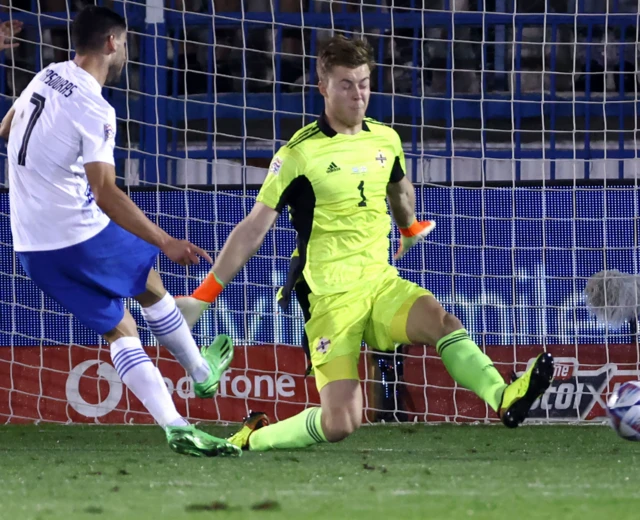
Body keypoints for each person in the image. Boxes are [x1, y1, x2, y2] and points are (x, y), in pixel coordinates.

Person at [177, 35, 555, 452]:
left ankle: (502, 397)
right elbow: (253, 229)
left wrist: (409, 228)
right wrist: (204, 295)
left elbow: (399, 190)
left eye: (364, 83)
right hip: (330, 297)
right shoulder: (299, 155)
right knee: (341, 421)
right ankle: (251, 438)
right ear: (322, 87)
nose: (358, 95)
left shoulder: (385, 139)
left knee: (442, 321)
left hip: (378, 283)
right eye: (345, 84)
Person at [0, 6, 239, 458]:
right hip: (77, 233)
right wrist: (164, 240)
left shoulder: (47, 74)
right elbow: (105, 191)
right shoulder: (95, 107)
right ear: (112, 43)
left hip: (32, 247)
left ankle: (176, 425)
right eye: (125, 43)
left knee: (121, 329)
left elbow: (7, 128)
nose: (125, 51)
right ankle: (201, 372)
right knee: (148, 279)